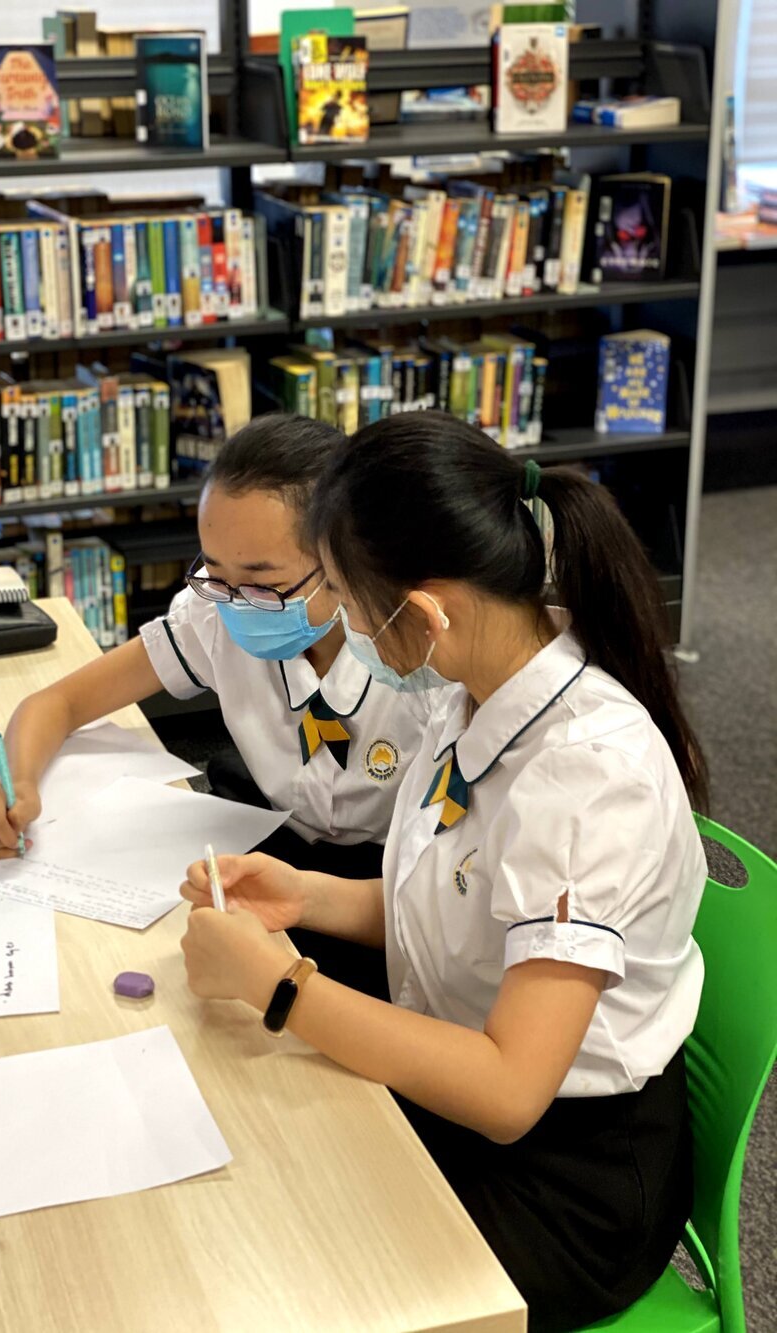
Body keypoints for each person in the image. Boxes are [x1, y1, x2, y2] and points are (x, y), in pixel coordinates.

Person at [179, 412, 708, 1333]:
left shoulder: (587, 779)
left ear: (422, 614)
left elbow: (508, 1090)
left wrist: (284, 990)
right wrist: (307, 895)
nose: (339, 624)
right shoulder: (471, 688)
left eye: (346, 599)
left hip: (566, 1184)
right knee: (247, 1167)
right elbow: (461, 906)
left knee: (278, 1269)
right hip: (465, 1085)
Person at [0, 414, 435, 990]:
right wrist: (19, 783)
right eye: (215, 574)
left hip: (390, 893)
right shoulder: (215, 615)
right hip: (271, 853)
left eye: (265, 583)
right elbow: (59, 702)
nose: (236, 602)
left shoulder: (421, 665)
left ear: (342, 562)